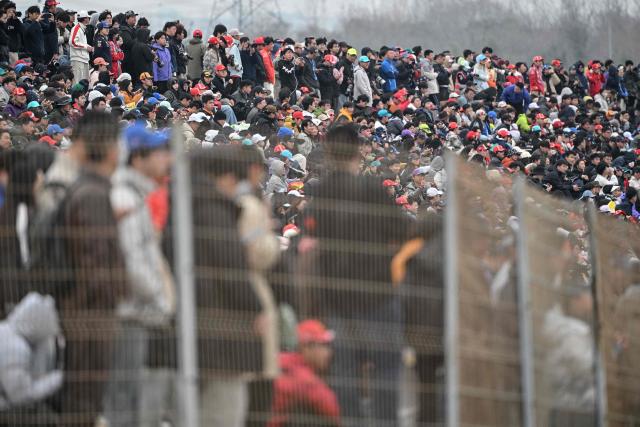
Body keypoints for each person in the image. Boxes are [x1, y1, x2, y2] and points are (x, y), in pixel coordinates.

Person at [302, 124, 408, 426]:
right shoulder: (371, 189)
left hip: (338, 296)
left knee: (345, 370)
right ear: (358, 151)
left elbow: (315, 238)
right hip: (378, 293)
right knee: (386, 368)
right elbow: (401, 231)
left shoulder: (321, 193)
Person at [56, 111, 126, 426]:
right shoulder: (92, 194)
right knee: (86, 402)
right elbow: (94, 264)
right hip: (91, 316)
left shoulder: (88, 188)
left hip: (87, 314)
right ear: (111, 148)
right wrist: (112, 298)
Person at [104, 124, 175, 427]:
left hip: (136, 312)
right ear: (137, 158)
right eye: (158, 153)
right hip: (130, 312)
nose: (165, 159)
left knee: (132, 398)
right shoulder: (125, 198)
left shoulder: (135, 193)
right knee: (124, 400)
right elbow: (132, 260)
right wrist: (159, 299)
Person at [187, 145, 264, 427]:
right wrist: (256, 308)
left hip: (201, 322)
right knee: (224, 410)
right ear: (226, 177)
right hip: (223, 326)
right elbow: (233, 267)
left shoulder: (187, 204)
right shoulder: (213, 209)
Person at [268, 320, 340, 427]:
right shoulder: (300, 373)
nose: (328, 352)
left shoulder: (283, 359)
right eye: (323, 345)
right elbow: (330, 407)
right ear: (305, 347)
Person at [69, 11, 94, 84]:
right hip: (78, 59)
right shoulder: (77, 28)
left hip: (83, 59)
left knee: (84, 82)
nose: (89, 19)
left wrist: (88, 47)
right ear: (85, 19)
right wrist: (86, 47)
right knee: (77, 82)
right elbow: (72, 42)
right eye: (88, 18)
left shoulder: (82, 28)